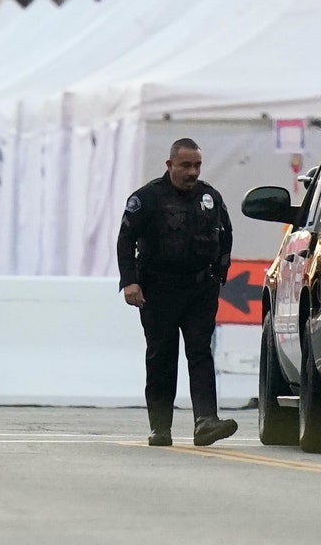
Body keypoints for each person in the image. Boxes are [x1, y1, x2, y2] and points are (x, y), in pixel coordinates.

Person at [117, 138, 238, 448]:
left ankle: (206, 422)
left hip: (199, 290)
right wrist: (130, 282)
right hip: (158, 290)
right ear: (170, 165)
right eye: (186, 165)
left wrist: (219, 275)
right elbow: (125, 240)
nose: (192, 172)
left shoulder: (210, 197)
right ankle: (160, 427)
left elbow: (226, 236)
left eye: (197, 165)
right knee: (161, 356)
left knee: (200, 352)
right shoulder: (147, 199)